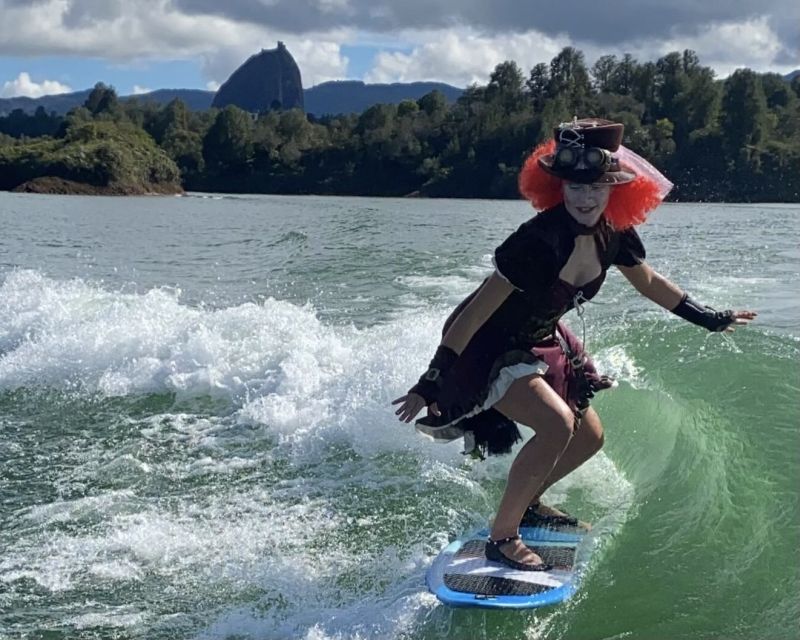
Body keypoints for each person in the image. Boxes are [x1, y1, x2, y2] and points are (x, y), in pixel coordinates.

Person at [392, 118, 756, 571]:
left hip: (543, 338)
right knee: (557, 425)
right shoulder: (536, 241)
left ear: (616, 191)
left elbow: (651, 283)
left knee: (589, 437)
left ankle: (530, 502)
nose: (585, 198)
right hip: (488, 345)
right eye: (574, 187)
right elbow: (473, 314)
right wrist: (432, 380)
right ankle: (501, 535)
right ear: (557, 186)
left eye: (597, 188)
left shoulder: (612, 233)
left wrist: (709, 317)